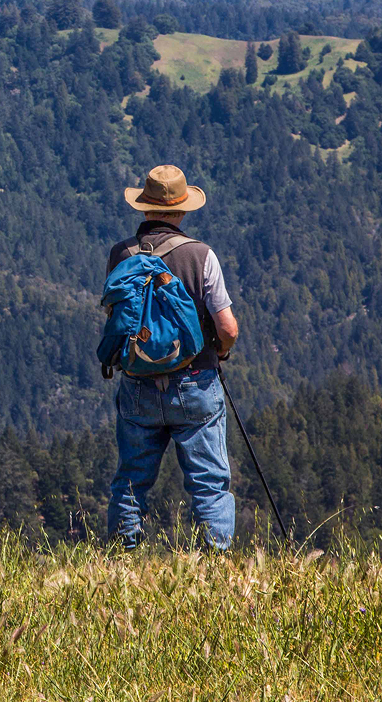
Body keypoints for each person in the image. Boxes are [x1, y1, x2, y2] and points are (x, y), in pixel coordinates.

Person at [105, 164, 239, 550]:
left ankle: (119, 563)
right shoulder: (201, 256)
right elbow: (227, 328)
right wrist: (221, 352)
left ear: (144, 209)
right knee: (208, 484)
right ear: (182, 211)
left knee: (131, 481)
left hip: (138, 384)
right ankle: (212, 567)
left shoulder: (121, 255)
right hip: (195, 380)